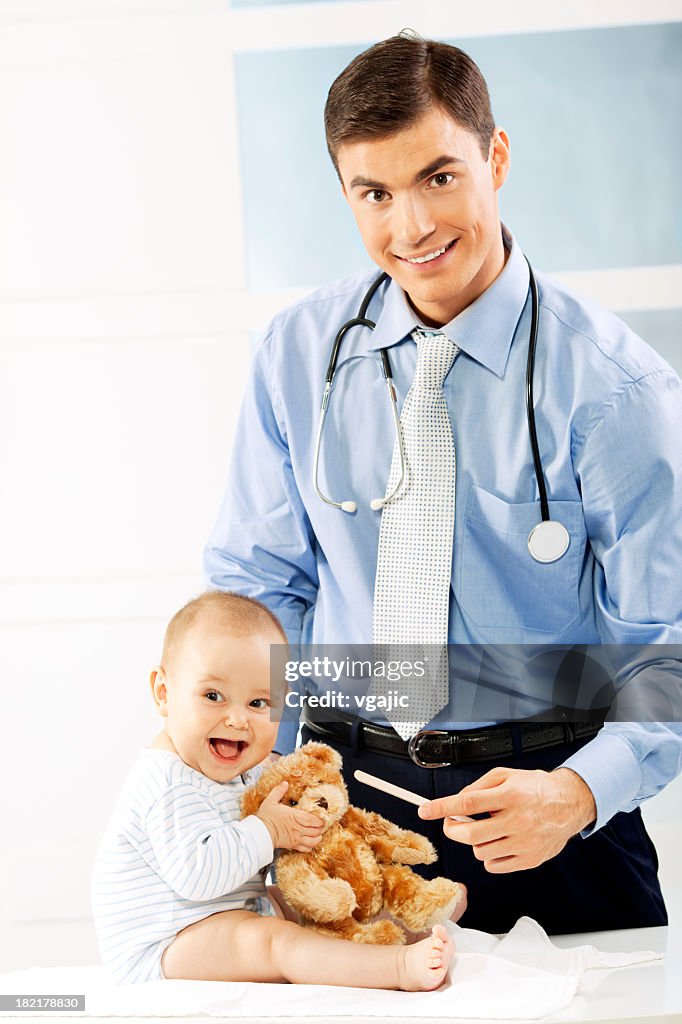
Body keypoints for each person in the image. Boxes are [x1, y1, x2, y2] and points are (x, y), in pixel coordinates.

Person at [204, 33, 682, 934]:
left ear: (496, 156)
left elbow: (665, 648)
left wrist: (580, 793)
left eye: (439, 178)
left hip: (545, 808)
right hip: (342, 807)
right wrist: (256, 778)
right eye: (374, 194)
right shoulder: (297, 357)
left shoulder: (620, 393)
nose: (411, 227)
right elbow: (259, 592)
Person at [91, 590, 454, 989]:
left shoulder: (238, 772)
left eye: (259, 702)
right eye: (213, 696)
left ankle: (401, 922)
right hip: (162, 945)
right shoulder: (168, 782)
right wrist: (270, 830)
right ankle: (398, 968)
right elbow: (199, 876)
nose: (237, 719)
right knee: (274, 942)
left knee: (305, 907)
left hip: (219, 918)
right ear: (163, 692)